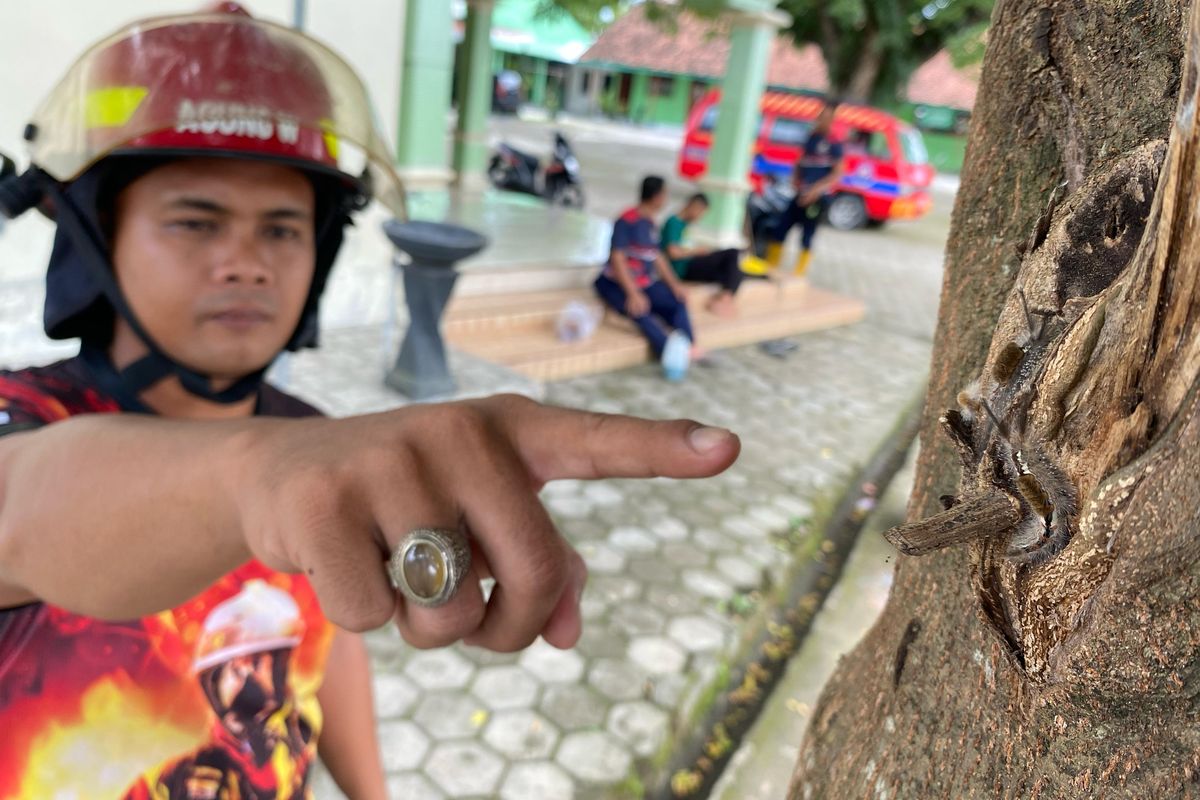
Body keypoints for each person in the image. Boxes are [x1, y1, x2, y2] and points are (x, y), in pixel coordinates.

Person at [0, 6, 740, 798]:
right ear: (97, 238)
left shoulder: (311, 442)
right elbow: (19, 507)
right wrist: (254, 477)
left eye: (283, 230)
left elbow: (324, 639)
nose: (247, 263)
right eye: (194, 222)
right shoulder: (25, 412)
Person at [594, 176, 700, 365]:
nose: (666, 199)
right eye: (665, 194)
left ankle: (689, 346)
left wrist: (675, 285)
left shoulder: (650, 223)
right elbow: (617, 259)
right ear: (657, 197)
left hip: (643, 282)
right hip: (615, 283)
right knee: (640, 310)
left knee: (677, 301)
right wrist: (633, 293)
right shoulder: (627, 220)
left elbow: (658, 257)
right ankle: (669, 353)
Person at [764, 97, 845, 278]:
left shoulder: (835, 144)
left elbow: (837, 174)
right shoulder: (811, 138)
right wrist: (795, 180)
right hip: (800, 193)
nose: (820, 119)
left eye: (825, 117)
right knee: (780, 228)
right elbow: (799, 162)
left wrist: (815, 191)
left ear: (832, 120)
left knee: (807, 235)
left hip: (817, 198)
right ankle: (770, 267)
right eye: (819, 116)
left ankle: (798, 274)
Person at [660, 192, 744, 318]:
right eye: (701, 212)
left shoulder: (685, 225)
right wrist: (696, 251)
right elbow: (673, 252)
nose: (700, 217)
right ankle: (725, 299)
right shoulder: (673, 222)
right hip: (684, 268)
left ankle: (725, 298)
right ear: (694, 206)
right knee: (733, 252)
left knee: (736, 271)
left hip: (691, 264)